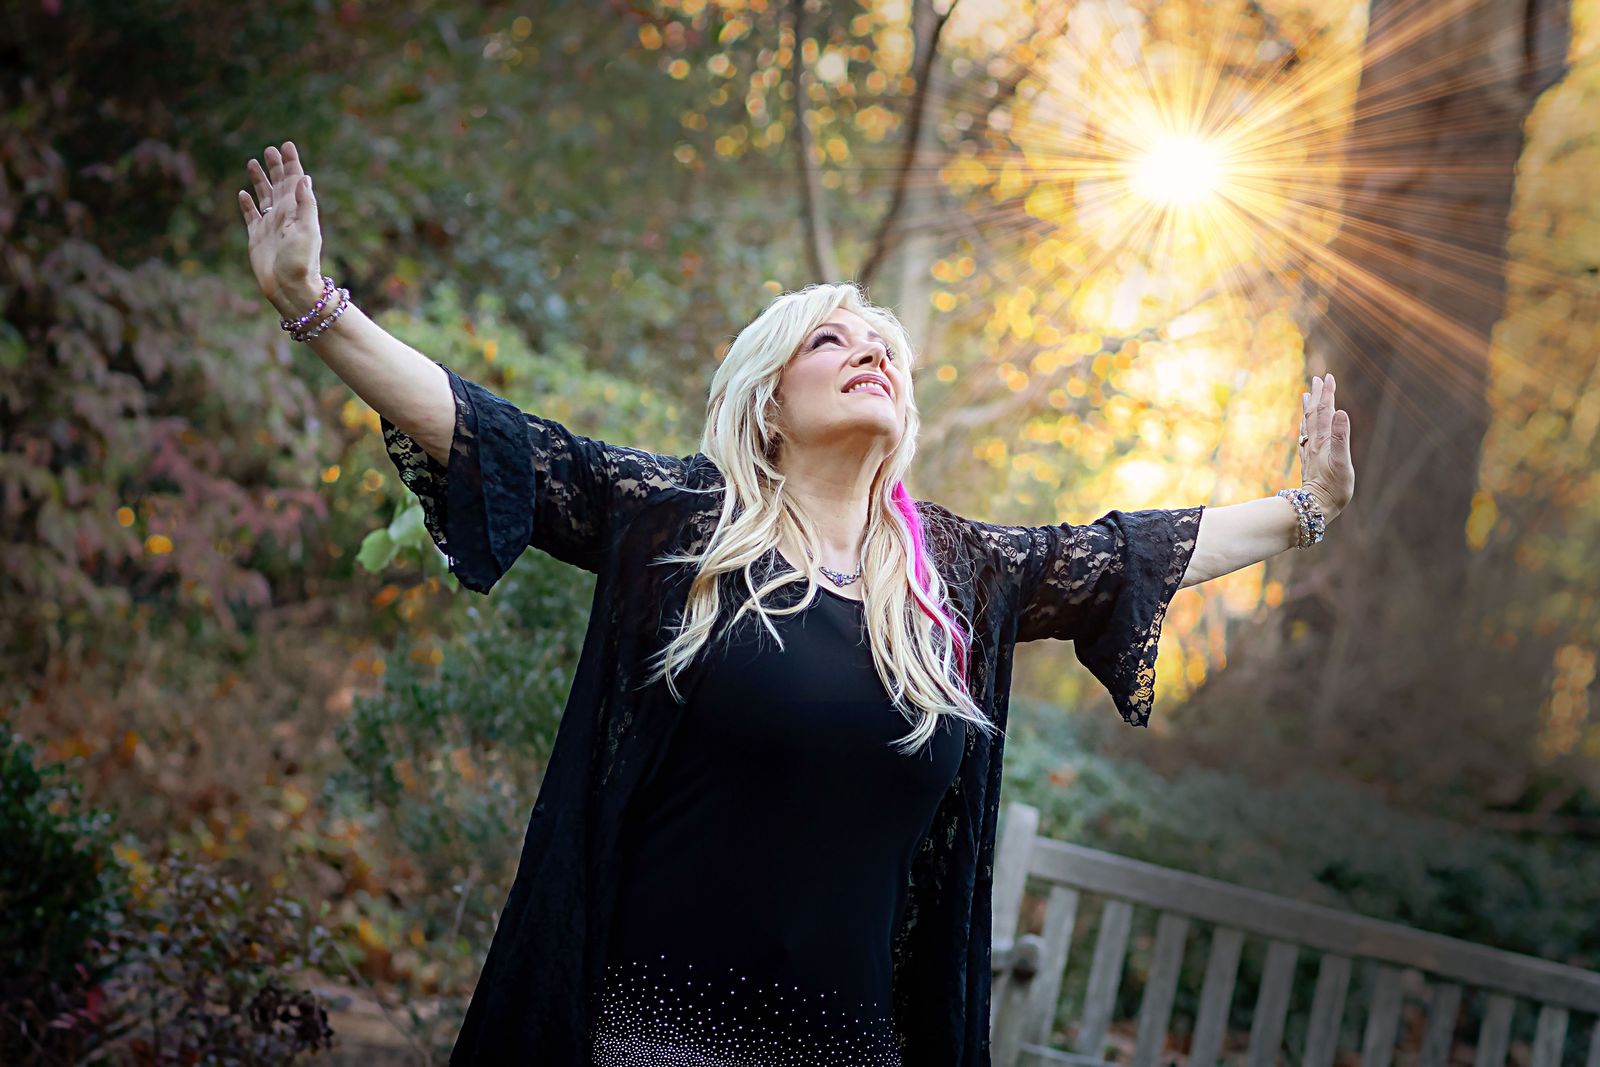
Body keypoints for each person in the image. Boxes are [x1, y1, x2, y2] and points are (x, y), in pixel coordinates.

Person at [239, 142, 1355, 1066]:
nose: (870, 354)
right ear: (768, 401)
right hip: (651, 1041)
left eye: (885, 350)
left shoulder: (958, 577)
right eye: (832, 340)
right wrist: (312, 303)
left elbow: (1127, 551)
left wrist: (1306, 508)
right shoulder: (681, 525)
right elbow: (490, 435)